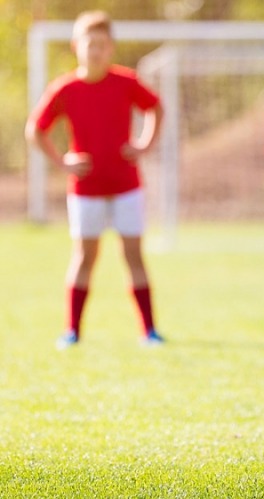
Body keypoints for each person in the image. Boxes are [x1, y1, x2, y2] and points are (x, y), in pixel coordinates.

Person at [26, 10, 164, 349]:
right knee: (85, 257)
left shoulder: (126, 81)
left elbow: (156, 108)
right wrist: (63, 162)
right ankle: (72, 331)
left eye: (102, 45)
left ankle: (149, 331)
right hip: (85, 190)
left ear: (111, 48)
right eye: (90, 44)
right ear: (77, 46)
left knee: (134, 256)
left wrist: (144, 143)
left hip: (126, 186)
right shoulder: (65, 88)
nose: (96, 51)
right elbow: (35, 130)